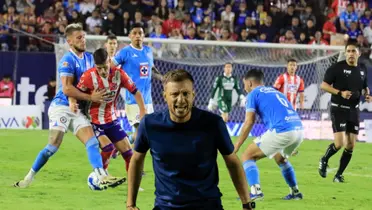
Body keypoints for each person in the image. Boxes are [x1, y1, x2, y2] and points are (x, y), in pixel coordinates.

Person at [14, 23, 125, 189]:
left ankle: (101, 176)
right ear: (69, 41)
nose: (83, 40)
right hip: (61, 106)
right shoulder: (67, 60)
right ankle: (28, 179)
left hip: (78, 109)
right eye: (79, 38)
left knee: (92, 142)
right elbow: (67, 88)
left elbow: (93, 79)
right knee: (52, 147)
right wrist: (87, 97)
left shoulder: (89, 58)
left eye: (84, 37)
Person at [126, 69, 255, 210]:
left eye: (185, 93)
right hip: (165, 207)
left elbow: (232, 162)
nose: (180, 99)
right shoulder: (149, 124)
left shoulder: (213, 123)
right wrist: (130, 204)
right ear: (165, 96)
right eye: (174, 94)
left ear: (193, 95)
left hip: (207, 205)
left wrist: (247, 203)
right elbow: (137, 160)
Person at [234, 69, 304, 201]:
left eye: (244, 84)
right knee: (280, 158)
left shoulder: (253, 94)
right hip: (299, 129)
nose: (244, 87)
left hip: (283, 130)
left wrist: (236, 146)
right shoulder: (276, 92)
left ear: (249, 83)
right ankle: (295, 192)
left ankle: (255, 192)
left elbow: (249, 122)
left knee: (247, 156)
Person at [75, 48, 146, 175]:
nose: (102, 71)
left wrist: (143, 110)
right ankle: (100, 175)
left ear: (109, 61)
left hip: (112, 120)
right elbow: (76, 94)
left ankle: (133, 184)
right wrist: (88, 99)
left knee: (128, 153)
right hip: (94, 121)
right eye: (99, 68)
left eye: (105, 67)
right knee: (108, 148)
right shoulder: (87, 76)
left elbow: (136, 91)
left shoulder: (119, 74)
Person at [318, 41, 371, 182]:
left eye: (354, 51)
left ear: (359, 53)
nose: (351, 54)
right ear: (345, 53)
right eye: (348, 51)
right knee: (339, 143)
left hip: (354, 111)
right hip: (338, 109)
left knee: (351, 145)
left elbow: (365, 86)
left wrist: (367, 94)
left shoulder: (362, 68)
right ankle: (324, 159)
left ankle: (338, 175)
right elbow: (323, 85)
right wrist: (340, 92)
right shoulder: (337, 68)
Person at [112, 23, 163, 145]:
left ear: (143, 36)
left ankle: (121, 144)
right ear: (130, 36)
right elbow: (111, 68)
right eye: (134, 33)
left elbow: (152, 69)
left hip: (147, 100)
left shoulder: (148, 51)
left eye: (140, 33)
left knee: (144, 132)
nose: (137, 36)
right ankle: (132, 156)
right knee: (140, 132)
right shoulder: (125, 52)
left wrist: (162, 77)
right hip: (133, 99)